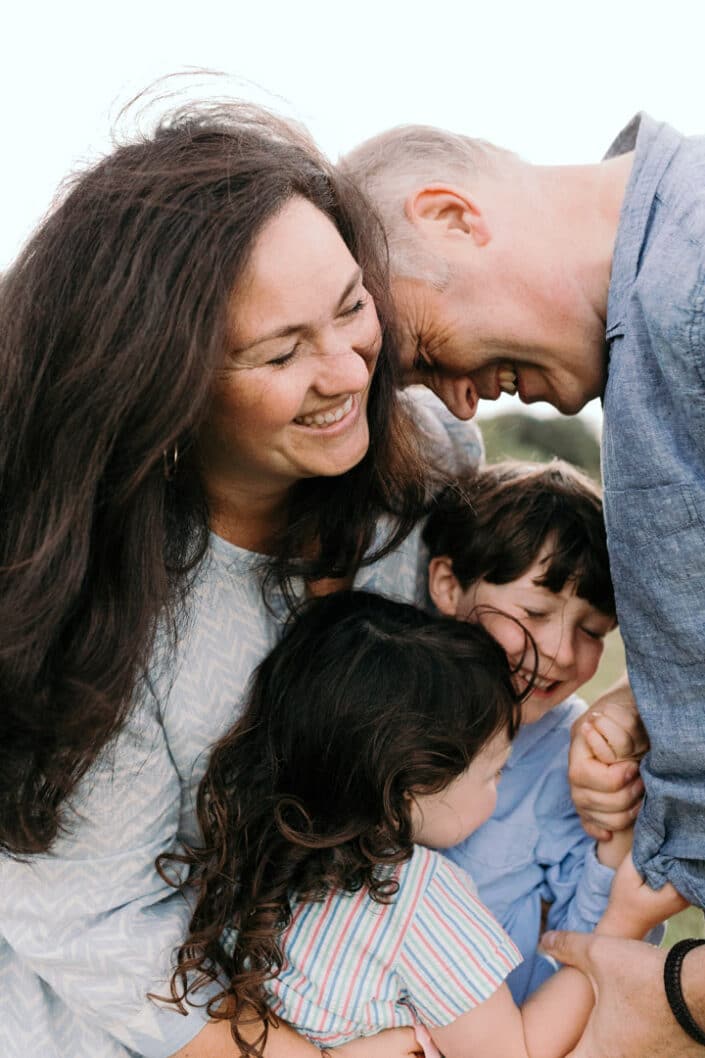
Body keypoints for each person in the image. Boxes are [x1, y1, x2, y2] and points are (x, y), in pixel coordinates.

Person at [0, 99, 485, 1058]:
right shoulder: (93, 619)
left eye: (352, 306)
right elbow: (95, 926)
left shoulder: (424, 457)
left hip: (387, 991)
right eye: (280, 351)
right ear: (160, 385)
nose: (348, 369)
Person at [341, 114, 705, 1055]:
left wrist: (678, 993)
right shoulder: (655, 346)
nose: (458, 401)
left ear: (453, 218)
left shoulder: (691, 283)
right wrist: (644, 696)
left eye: (422, 350)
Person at [166, 590, 684, 1058]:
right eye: (494, 772)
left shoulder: (253, 850)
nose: (500, 788)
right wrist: (620, 925)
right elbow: (517, 1053)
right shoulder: (418, 902)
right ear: (405, 792)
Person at [422, 459, 659, 1003]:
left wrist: (615, 838)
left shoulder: (573, 757)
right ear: (447, 586)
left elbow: (583, 935)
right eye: (534, 611)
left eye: (592, 630)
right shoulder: (389, 701)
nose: (558, 651)